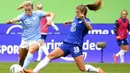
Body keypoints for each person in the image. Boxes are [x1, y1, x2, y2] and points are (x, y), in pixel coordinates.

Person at [25, 0, 105, 73]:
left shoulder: (86, 21)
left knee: (82, 68)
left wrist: (84, 19)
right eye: (76, 12)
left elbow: (90, 29)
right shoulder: (76, 18)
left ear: (83, 13)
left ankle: (98, 70)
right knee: (49, 56)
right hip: (66, 43)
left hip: (75, 45)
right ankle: (34, 71)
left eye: (77, 12)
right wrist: (68, 22)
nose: (76, 14)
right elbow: (75, 21)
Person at [7, 0, 55, 69]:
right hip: (25, 40)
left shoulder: (38, 13)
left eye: (29, 10)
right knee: (21, 58)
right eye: (25, 10)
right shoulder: (23, 16)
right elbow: (15, 19)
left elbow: (52, 13)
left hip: (36, 40)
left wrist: (50, 20)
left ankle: (23, 70)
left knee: (32, 49)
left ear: (32, 8)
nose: (27, 12)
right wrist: (11, 21)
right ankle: (21, 67)